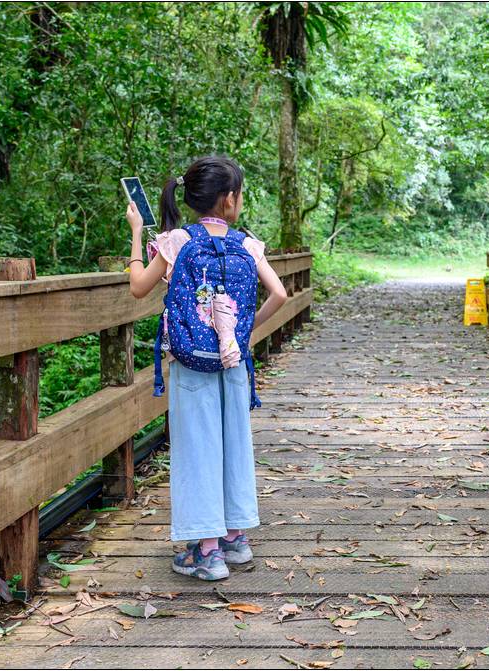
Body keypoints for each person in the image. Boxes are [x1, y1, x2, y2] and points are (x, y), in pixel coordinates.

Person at [126, 155, 288, 580]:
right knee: (234, 442)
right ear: (229, 199)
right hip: (233, 362)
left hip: (190, 363)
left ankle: (207, 552)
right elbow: (281, 295)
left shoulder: (177, 241)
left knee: (198, 449)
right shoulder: (248, 244)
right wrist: (239, 336)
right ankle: (236, 539)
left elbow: (139, 288)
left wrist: (136, 235)